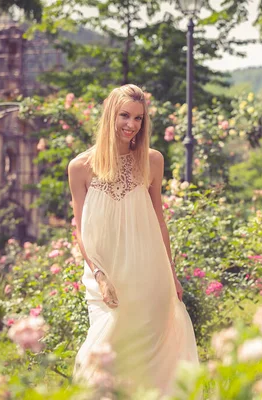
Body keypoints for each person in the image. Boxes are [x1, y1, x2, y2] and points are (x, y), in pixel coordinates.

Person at [68, 84, 199, 395]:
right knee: (101, 351)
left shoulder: (151, 161)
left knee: (151, 354)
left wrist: (171, 273)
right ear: (110, 115)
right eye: (124, 115)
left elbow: (158, 219)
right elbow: (80, 229)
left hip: (149, 271)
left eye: (139, 118)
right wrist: (99, 275)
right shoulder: (80, 167)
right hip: (107, 274)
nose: (131, 124)